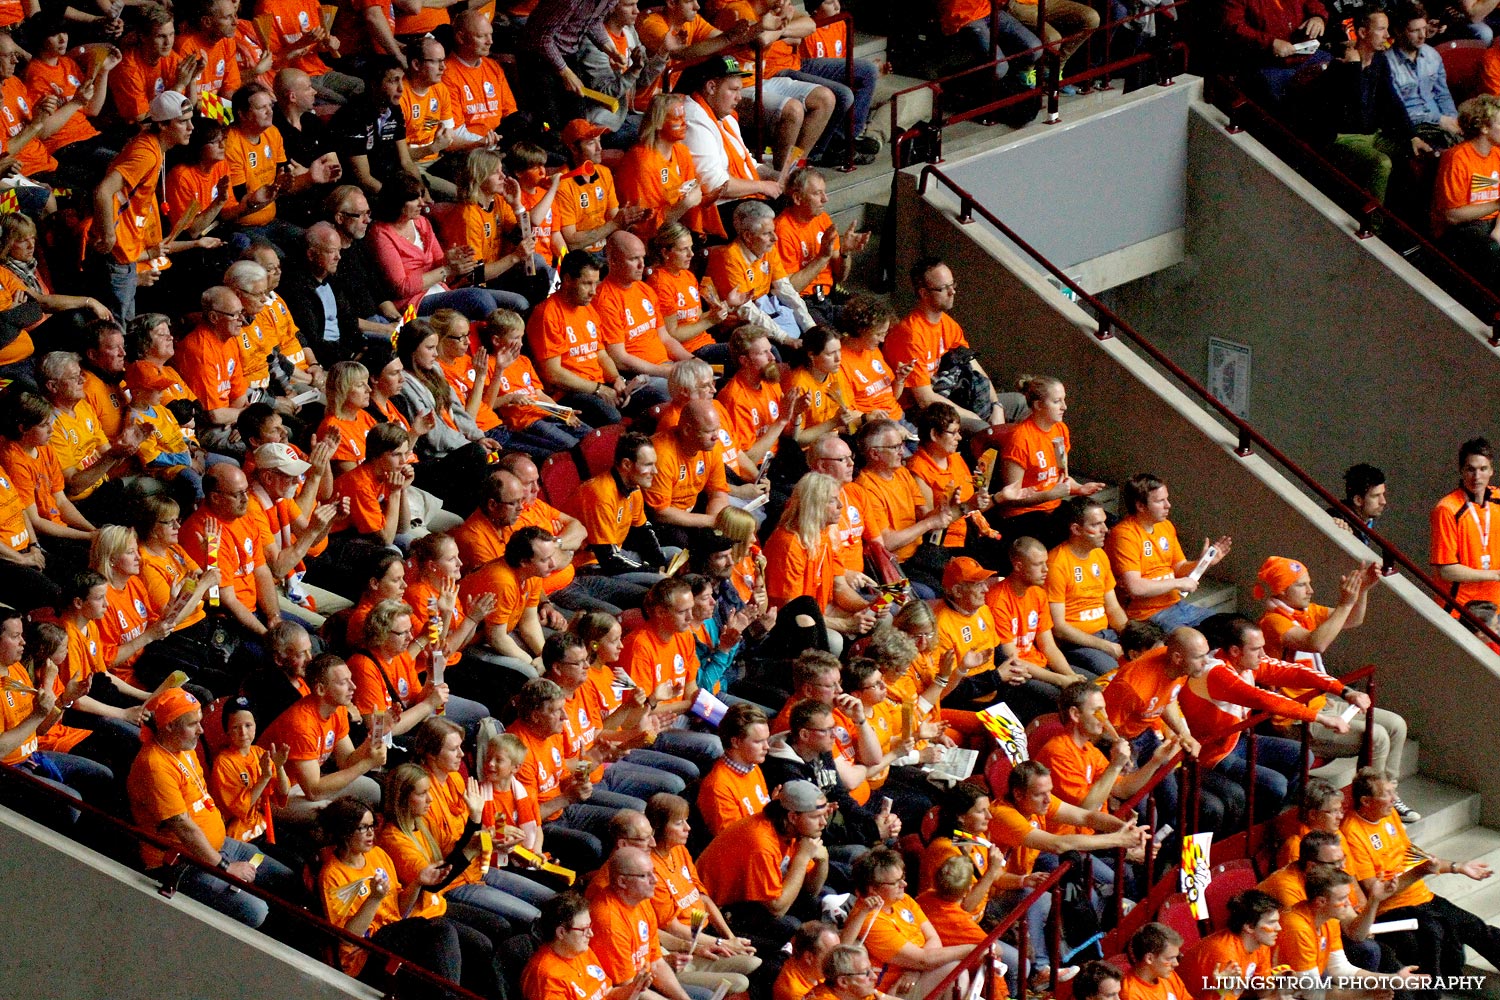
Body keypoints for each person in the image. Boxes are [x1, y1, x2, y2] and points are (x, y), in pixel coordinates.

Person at [1252, 556, 1413, 816]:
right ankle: (1369, 805)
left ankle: (1388, 793)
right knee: (1377, 737)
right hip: (1293, 717)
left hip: (1322, 702)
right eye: (1302, 585)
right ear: (1282, 590)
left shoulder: (1304, 612)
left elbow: (1351, 620)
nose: (1311, 590)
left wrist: (1362, 591)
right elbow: (1315, 643)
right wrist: (1345, 602)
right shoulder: (1272, 621)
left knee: (1395, 725)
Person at [127, 687, 301, 928]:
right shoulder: (154, 765)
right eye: (193, 724)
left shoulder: (184, 749)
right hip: (184, 863)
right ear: (169, 726)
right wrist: (226, 867)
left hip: (227, 846)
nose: (201, 729)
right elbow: (184, 829)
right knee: (257, 910)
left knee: (286, 877)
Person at [989, 760, 1147, 985]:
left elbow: (1085, 817)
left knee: (1054, 890)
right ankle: (1042, 969)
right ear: (1019, 794)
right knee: (1038, 898)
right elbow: (1057, 844)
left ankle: (1068, 953)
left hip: (1017, 882)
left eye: (1049, 792)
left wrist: (1122, 828)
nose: (1047, 799)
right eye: (1040, 794)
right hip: (993, 895)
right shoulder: (1004, 816)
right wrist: (1118, 840)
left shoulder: (1038, 801)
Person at [1341, 766, 1500, 980]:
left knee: (1476, 927)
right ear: (1366, 801)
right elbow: (1375, 891)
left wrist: (1457, 866)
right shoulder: (1352, 833)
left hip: (1422, 897)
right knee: (1433, 937)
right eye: (1386, 794)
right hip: (1393, 909)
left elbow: (1416, 858)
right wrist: (1419, 872)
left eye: (1393, 792)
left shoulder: (1389, 816)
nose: (1394, 799)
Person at [316, 795, 474, 990]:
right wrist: (374, 899)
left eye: (372, 826)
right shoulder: (332, 874)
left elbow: (399, 910)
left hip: (394, 931)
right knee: (441, 930)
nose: (370, 833)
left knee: (469, 943)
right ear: (345, 832)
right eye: (363, 827)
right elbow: (347, 937)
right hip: (365, 953)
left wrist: (417, 883)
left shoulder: (378, 854)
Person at [89, 89, 195, 321]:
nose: (191, 128)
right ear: (164, 125)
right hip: (118, 250)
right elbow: (103, 191)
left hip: (128, 248)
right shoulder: (146, 153)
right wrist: (108, 236)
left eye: (190, 121)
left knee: (125, 321)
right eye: (183, 122)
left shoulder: (155, 147)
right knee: (117, 325)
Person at [887, 258, 1015, 432]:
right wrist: (976, 417)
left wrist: (996, 406)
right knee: (982, 428)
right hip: (919, 410)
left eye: (952, 284)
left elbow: (974, 367)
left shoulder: (948, 324)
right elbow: (925, 399)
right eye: (943, 288)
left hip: (950, 394)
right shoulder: (910, 334)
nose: (952, 291)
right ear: (924, 293)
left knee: (1019, 404)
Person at [697, 779, 832, 941]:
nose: (823, 823)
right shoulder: (761, 842)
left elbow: (810, 890)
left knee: (821, 901)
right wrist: (802, 858)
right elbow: (777, 908)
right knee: (790, 927)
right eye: (816, 817)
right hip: (713, 912)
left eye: (825, 816)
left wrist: (822, 861)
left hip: (749, 901)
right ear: (793, 817)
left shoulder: (794, 832)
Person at [258, 653, 385, 823]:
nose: (353, 687)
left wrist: (374, 738)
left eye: (351, 679)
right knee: (334, 814)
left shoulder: (337, 708)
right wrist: (367, 764)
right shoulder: (300, 724)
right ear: (320, 689)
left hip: (307, 784)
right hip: (276, 794)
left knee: (373, 790)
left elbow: (346, 761)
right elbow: (314, 791)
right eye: (343, 683)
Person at [1105, 473, 1231, 630]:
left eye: (1167, 498)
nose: (1168, 505)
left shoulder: (1165, 526)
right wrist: (1177, 584)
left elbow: (1179, 568)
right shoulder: (1124, 535)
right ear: (1141, 506)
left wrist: (1204, 563)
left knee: (1231, 627)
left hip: (1176, 605)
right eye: (1160, 501)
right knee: (1195, 642)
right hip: (1146, 616)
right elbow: (1136, 587)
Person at [678, 55, 785, 240]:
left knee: (797, 195)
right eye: (733, 90)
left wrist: (779, 177)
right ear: (711, 87)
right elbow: (715, 184)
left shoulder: (725, 116)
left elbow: (748, 164)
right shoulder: (693, 117)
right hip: (715, 210)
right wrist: (762, 186)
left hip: (738, 200)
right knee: (782, 211)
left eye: (740, 90)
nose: (739, 97)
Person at [843, 847, 973, 998]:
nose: (904, 884)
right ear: (873, 889)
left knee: (956, 970)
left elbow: (933, 939)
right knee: (955, 972)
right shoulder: (869, 918)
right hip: (894, 989)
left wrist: (915, 969)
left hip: (914, 975)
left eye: (902, 877)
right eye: (895, 882)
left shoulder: (903, 900)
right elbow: (924, 959)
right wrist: (972, 950)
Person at [1276, 867, 1428, 994]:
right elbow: (1312, 992)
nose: (1348, 903)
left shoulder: (1330, 919)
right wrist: (1363, 995)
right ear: (1321, 902)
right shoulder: (1297, 928)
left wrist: (1393, 979)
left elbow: (1341, 969)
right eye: (1342, 898)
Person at [527, 250, 632, 427]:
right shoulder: (547, 314)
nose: (593, 292)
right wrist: (599, 390)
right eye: (587, 284)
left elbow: (601, 354)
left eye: (596, 284)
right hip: (569, 393)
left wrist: (616, 380)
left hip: (598, 385)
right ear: (567, 280)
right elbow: (553, 374)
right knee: (612, 418)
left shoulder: (588, 308)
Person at [589, 845, 699, 1000]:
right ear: (622, 881)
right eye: (645, 876)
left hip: (646, 980)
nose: (654, 880)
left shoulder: (641, 900)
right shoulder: (609, 920)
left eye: (653, 873)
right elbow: (628, 988)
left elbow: (656, 962)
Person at [705, 202, 815, 345]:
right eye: (767, 233)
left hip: (767, 310)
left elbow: (785, 290)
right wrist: (785, 339)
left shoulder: (767, 249)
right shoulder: (730, 258)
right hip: (737, 324)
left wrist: (811, 328)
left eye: (773, 231)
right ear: (748, 236)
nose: (775, 238)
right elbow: (746, 310)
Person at [595, 230, 681, 407]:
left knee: (705, 380)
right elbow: (619, 358)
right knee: (682, 393)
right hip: (639, 376)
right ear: (613, 261)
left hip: (665, 367)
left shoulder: (645, 290)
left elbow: (664, 337)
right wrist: (666, 372)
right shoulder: (605, 299)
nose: (642, 265)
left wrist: (693, 361)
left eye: (642, 257)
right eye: (634, 259)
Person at [617, 94, 715, 243]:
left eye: (684, 117)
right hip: (649, 241)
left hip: (680, 234)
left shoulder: (682, 152)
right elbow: (644, 224)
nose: (684, 123)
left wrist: (705, 199)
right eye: (677, 119)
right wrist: (685, 204)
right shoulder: (641, 160)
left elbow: (689, 195)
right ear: (658, 123)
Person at [577, 430, 671, 584]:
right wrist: (653, 571)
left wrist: (658, 562)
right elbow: (608, 558)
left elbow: (643, 530)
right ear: (627, 464)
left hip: (618, 554)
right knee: (660, 582)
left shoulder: (634, 487)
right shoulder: (600, 494)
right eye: (648, 465)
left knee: (675, 553)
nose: (655, 471)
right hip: (593, 564)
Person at [644, 398, 732, 548]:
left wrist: (716, 519)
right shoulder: (661, 454)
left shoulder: (711, 447)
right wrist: (710, 521)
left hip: (693, 509)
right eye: (709, 431)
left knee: (723, 537)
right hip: (663, 520)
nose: (716, 436)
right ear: (687, 430)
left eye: (717, 429)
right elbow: (660, 513)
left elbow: (718, 492)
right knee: (682, 543)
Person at [1433, 95, 1500, 284]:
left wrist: (1498, 232)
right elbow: (1452, 216)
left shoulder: (1497, 154)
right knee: (1489, 250)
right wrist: (1496, 204)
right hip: (1460, 229)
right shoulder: (1457, 158)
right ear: (1484, 128)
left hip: (1492, 222)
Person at [1381, 2, 1462, 156]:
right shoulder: (1387, 63)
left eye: (1424, 29)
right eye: (1415, 31)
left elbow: (1442, 95)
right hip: (1412, 126)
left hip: (1441, 121)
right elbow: (1397, 110)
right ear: (1398, 31)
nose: (1422, 35)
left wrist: (1453, 120)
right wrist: (1439, 120)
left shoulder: (1432, 55)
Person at [522, 891, 636, 1000]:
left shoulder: (581, 951)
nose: (591, 934)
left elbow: (608, 992)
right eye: (584, 929)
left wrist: (632, 989)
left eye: (590, 927)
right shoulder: (547, 977)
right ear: (561, 932)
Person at [1431, 437, 1500, 609]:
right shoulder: (1447, 509)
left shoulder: (1498, 500)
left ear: (1492, 470)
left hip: (1495, 605)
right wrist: (1494, 575)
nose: (1477, 477)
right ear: (1461, 470)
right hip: (1460, 607)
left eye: (1483, 469)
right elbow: (1446, 570)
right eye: (1471, 469)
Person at [1174, 890, 1280, 999]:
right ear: (1249, 926)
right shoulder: (1224, 954)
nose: (1279, 928)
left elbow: (1264, 990)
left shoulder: (1260, 943)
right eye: (1271, 923)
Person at [697, 701, 773, 835]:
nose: (767, 747)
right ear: (736, 742)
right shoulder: (718, 786)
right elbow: (734, 840)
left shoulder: (753, 767)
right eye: (758, 741)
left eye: (766, 740)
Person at [443, 11, 518, 144]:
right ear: (461, 38)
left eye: (490, 35)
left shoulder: (493, 67)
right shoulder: (447, 73)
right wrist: (489, 142)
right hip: (471, 149)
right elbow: (455, 133)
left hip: (500, 142)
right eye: (482, 36)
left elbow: (510, 114)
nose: (490, 41)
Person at [773, 921, 842, 1000]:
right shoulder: (795, 992)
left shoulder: (816, 972)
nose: (837, 960)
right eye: (831, 955)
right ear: (809, 957)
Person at [1119, 924, 1190, 1000]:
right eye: (1170, 958)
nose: (1176, 963)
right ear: (1149, 958)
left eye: (1176, 957)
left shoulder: (1168, 975)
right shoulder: (1131, 994)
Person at [1329, 462, 1388, 544]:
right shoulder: (1337, 519)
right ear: (1358, 500)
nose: (1383, 501)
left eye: (1382, 494)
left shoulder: (1368, 521)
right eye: (1376, 496)